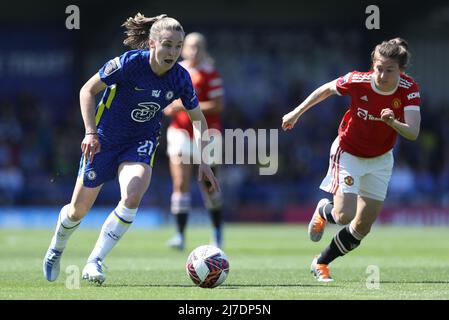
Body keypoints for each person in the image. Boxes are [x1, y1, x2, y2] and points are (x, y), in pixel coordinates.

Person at [42, 13, 220, 285]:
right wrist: (90, 132)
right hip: (104, 140)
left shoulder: (181, 78)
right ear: (152, 43)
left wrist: (204, 161)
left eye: (178, 45)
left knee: (134, 193)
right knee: (78, 210)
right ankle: (56, 248)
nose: (173, 52)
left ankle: (95, 261)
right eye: (167, 44)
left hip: (140, 141)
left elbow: (199, 119)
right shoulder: (128, 64)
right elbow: (87, 91)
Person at [281, 38, 421, 282]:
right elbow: (325, 89)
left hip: (381, 159)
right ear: (372, 65)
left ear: (401, 70)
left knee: (362, 227)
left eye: (389, 70)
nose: (382, 75)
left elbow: (413, 131)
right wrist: (296, 113)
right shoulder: (359, 81)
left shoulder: (409, 89)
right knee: (344, 215)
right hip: (349, 153)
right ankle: (325, 210)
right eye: (378, 68)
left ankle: (321, 262)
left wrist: (392, 122)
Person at [163, 32, 225, 251]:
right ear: (183, 49)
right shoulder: (175, 70)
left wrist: (185, 106)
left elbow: (217, 106)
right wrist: (169, 106)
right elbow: (166, 98)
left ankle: (217, 232)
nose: (194, 51)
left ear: (204, 49)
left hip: (207, 134)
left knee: (209, 186)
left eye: (198, 47)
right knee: (180, 183)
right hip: (179, 131)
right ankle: (180, 235)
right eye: (190, 47)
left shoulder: (210, 73)